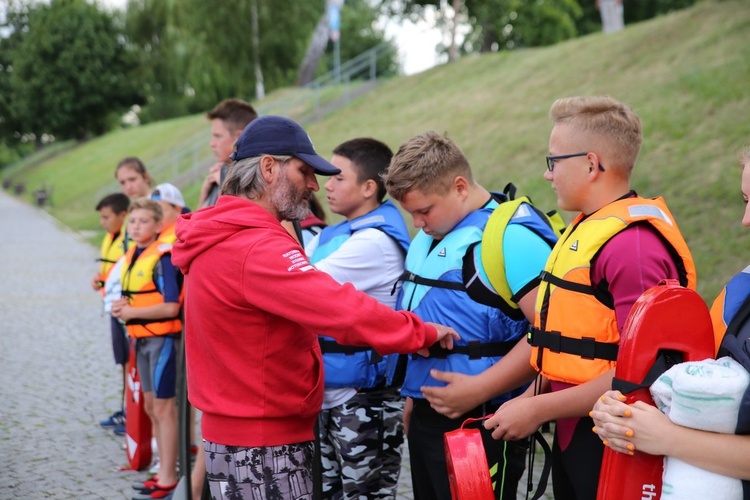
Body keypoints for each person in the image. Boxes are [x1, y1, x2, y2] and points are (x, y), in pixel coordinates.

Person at [170, 115, 458, 500]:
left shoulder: (220, 234)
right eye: (304, 171)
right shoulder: (256, 248)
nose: (313, 185)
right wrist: (418, 331)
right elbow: (338, 306)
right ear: (269, 168)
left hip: (235, 434)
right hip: (265, 442)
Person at [481, 96, 696, 500]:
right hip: (573, 430)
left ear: (592, 164)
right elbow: (566, 346)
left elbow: (645, 372)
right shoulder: (585, 229)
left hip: (612, 442)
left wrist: (536, 411)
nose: (548, 176)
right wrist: (530, 400)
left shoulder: (633, 249)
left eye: (554, 162)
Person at [383, 131, 557, 500]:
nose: (417, 223)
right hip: (428, 416)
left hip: (485, 422)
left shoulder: (513, 239)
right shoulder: (431, 235)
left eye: (424, 210)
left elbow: (555, 336)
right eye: (410, 212)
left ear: (459, 186)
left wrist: (481, 388)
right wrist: (414, 398)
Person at [591, 144, 750, 483]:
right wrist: (626, 408)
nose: (745, 221)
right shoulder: (743, 293)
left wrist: (666, 437)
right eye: (745, 201)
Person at [305, 137, 410, 499]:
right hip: (331, 390)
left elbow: (299, 286)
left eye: (337, 178)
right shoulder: (335, 234)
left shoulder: (374, 243)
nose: (326, 186)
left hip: (363, 397)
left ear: (369, 187)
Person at [112, 198, 183, 500]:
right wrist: (123, 307)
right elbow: (140, 296)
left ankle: (169, 477)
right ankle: (161, 470)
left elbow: (171, 306)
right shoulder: (132, 255)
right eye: (132, 222)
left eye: (143, 221)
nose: (136, 227)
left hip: (163, 341)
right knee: (152, 407)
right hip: (140, 340)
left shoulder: (164, 257)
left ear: (157, 226)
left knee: (165, 408)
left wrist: (132, 314)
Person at [92, 193, 130, 431]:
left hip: (124, 308)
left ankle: (131, 414)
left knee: (129, 362)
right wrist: (99, 279)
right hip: (113, 307)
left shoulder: (129, 237)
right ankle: (126, 409)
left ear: (122, 216)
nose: (102, 222)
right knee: (122, 362)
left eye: (106, 217)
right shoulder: (111, 237)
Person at [199, 98, 258, 208]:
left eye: (218, 136)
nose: (212, 143)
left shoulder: (263, 181)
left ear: (238, 137)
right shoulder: (218, 177)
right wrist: (204, 198)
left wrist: (224, 188)